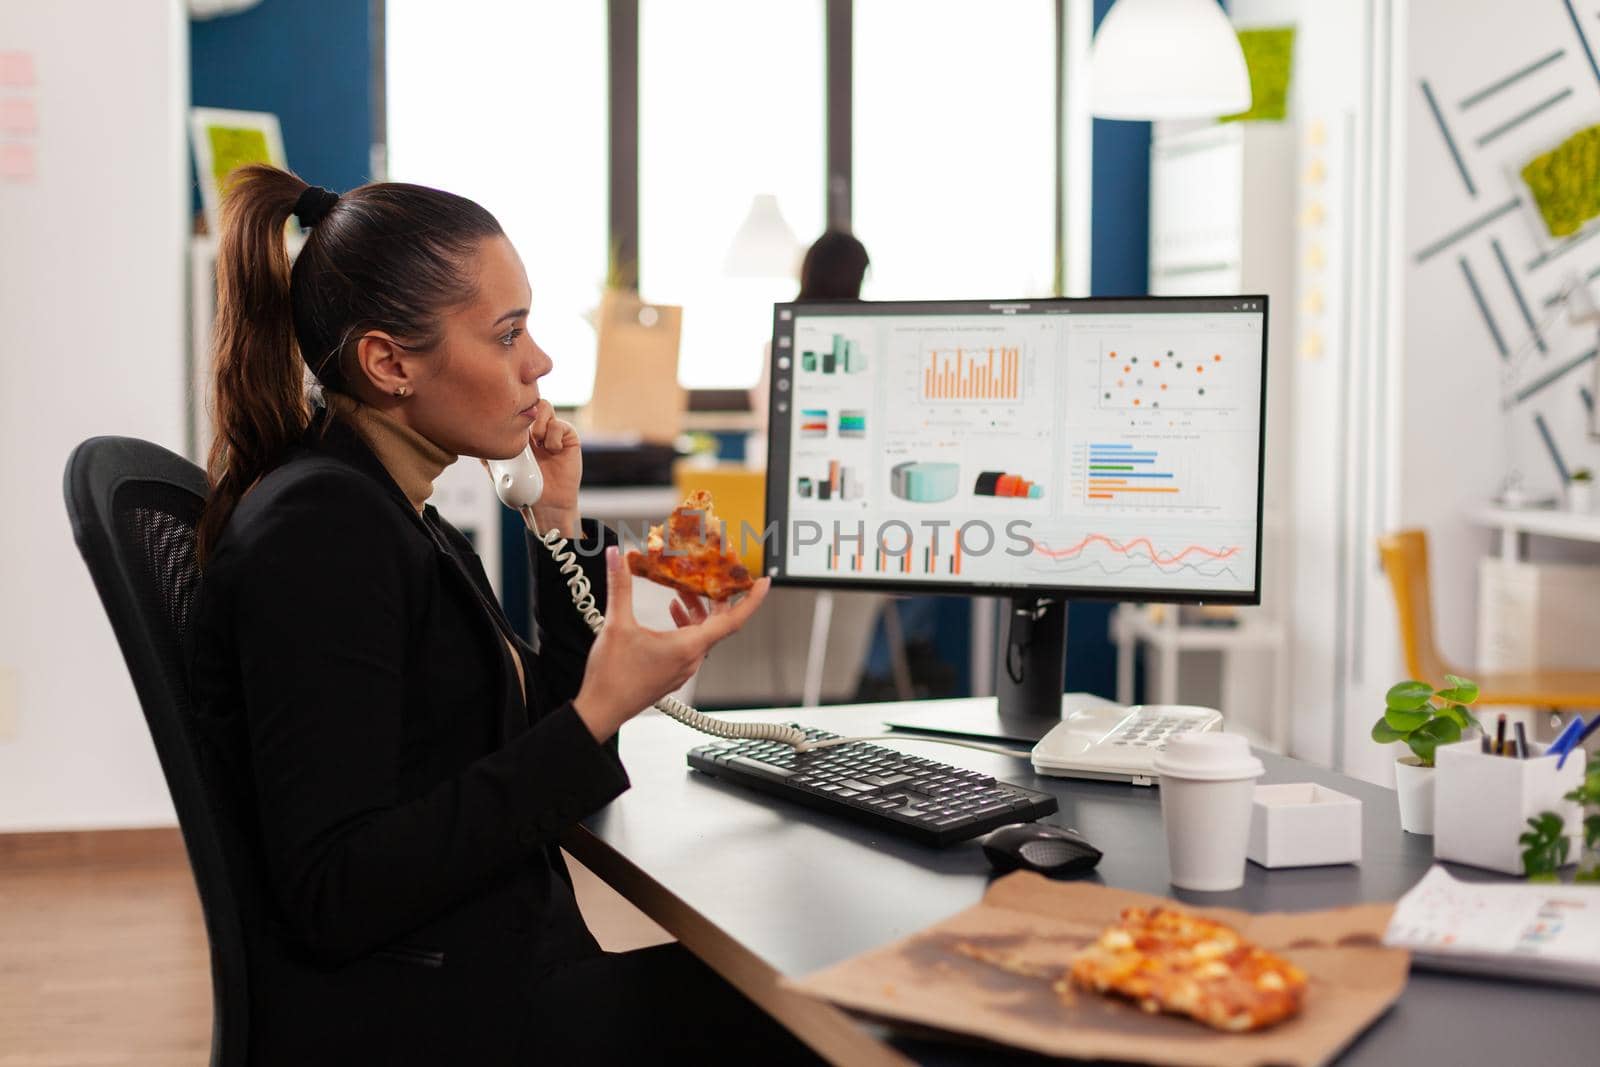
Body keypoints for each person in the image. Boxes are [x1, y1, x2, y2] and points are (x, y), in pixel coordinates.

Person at [185, 166, 817, 1065]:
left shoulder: (393, 511)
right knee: (825, 1017)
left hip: (487, 973)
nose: (542, 363)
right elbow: (337, 888)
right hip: (435, 1019)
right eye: (508, 333)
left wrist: (553, 526)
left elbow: (526, 734)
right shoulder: (322, 535)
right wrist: (602, 711)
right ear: (389, 362)